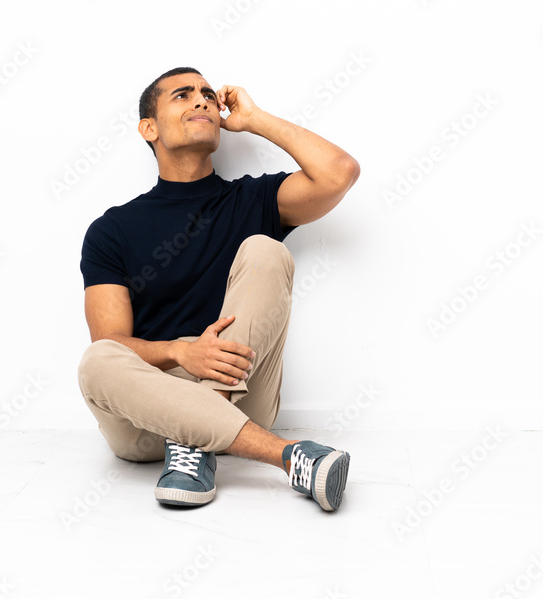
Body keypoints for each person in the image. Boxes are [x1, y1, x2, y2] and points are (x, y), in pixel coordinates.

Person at [76, 66, 360, 512]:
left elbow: (339, 172)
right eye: (182, 95)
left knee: (267, 250)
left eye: (208, 94)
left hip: (240, 393)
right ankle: (288, 456)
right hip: (149, 417)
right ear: (149, 128)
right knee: (96, 361)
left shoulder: (253, 201)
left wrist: (255, 119)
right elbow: (111, 341)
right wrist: (181, 352)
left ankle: (194, 447)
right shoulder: (112, 230)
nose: (201, 100)